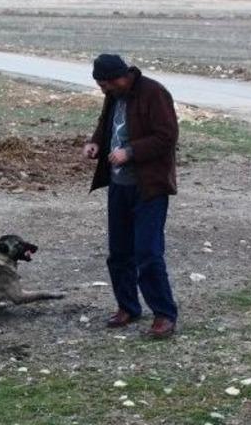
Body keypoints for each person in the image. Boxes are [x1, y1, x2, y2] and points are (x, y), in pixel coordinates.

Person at [82, 53, 179, 339]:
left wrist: (131, 152)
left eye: (105, 85)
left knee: (148, 253)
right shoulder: (114, 94)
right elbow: (107, 123)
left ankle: (164, 314)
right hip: (119, 186)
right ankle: (128, 307)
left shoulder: (154, 93)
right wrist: (95, 142)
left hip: (149, 187)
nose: (104, 91)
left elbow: (167, 136)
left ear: (119, 78)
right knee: (119, 253)